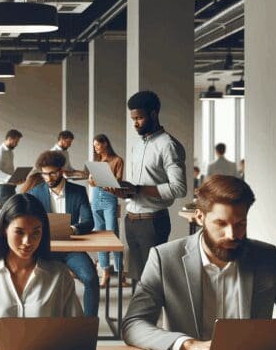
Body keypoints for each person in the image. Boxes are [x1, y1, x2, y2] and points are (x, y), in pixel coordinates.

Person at [122, 175, 276, 350]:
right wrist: (188, 345)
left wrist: (271, 347)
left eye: (240, 224)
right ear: (200, 217)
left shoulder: (270, 258)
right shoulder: (165, 258)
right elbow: (133, 324)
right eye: (221, 224)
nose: (232, 235)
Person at [0, 193, 83, 350]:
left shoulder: (59, 275)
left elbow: (78, 331)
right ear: (4, 230)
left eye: (36, 233)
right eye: (19, 232)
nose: (27, 242)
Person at [113, 91, 187, 286]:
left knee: (153, 281)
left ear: (153, 114)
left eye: (139, 118)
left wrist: (138, 189)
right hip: (131, 221)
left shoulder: (168, 145)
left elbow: (179, 188)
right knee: (138, 280)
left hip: (152, 223)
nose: (135, 124)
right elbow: (138, 185)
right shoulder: (137, 146)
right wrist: (122, 191)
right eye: (133, 119)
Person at [26, 150, 98, 317]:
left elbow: (89, 221)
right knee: (37, 282)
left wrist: (72, 229)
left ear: (61, 170)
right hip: (45, 249)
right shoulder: (34, 194)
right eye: (44, 174)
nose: (48, 178)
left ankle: (89, 324)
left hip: (71, 249)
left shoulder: (78, 191)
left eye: (52, 173)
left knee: (91, 278)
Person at [88, 134, 125, 288]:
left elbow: (118, 181)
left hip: (109, 198)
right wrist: (91, 180)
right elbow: (91, 183)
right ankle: (105, 272)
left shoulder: (117, 160)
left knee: (113, 235)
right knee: (100, 237)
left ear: (105, 144)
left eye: (98, 145)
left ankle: (121, 273)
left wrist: (105, 180)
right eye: (94, 146)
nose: (96, 148)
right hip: (96, 199)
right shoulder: (96, 161)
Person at [0, 129, 22, 205]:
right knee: (11, 211)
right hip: (3, 189)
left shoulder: (10, 152)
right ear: (9, 139)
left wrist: (17, 179)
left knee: (14, 210)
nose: (17, 144)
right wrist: (11, 178)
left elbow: (8, 170)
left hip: (10, 188)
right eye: (16, 142)